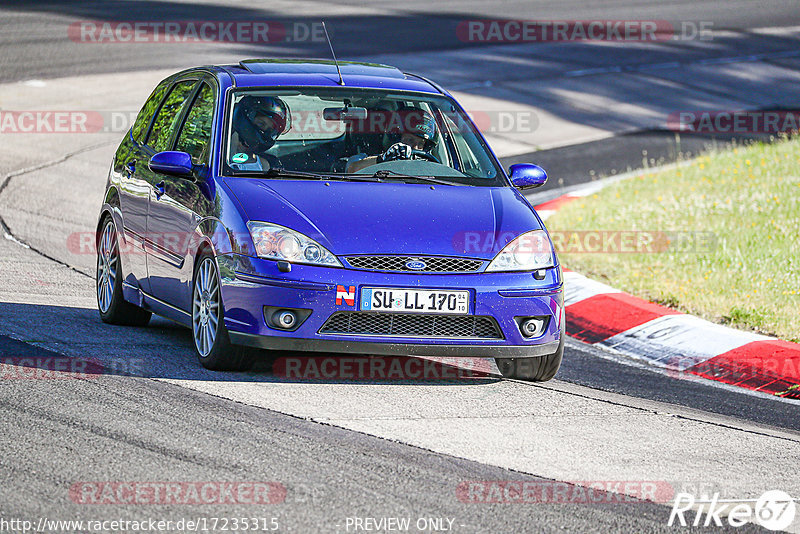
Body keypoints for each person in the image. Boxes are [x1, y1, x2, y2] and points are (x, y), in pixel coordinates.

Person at [346, 108, 439, 173]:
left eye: (421, 144)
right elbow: (352, 169)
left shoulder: (427, 166)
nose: (415, 147)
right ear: (394, 138)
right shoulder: (364, 157)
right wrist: (382, 159)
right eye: (410, 140)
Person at [229, 95, 288, 171]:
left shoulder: (269, 166)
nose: (263, 131)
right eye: (261, 124)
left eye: (269, 130)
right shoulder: (216, 157)